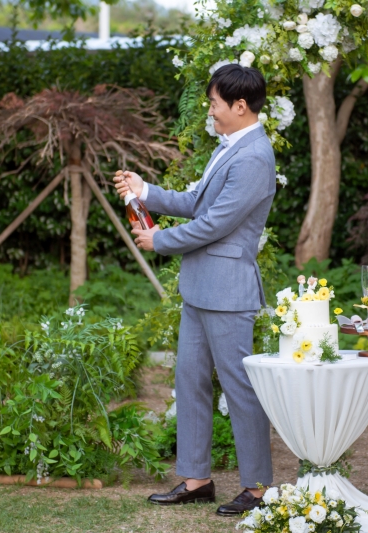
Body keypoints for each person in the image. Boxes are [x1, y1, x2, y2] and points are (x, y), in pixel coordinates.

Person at [113, 64, 275, 516]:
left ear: (239, 106)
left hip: (229, 292)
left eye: (214, 103)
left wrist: (159, 240)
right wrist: (146, 190)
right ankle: (196, 479)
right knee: (189, 382)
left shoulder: (254, 157)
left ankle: (257, 488)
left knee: (239, 389)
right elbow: (196, 203)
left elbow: (215, 224)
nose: (210, 111)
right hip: (200, 288)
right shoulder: (229, 148)